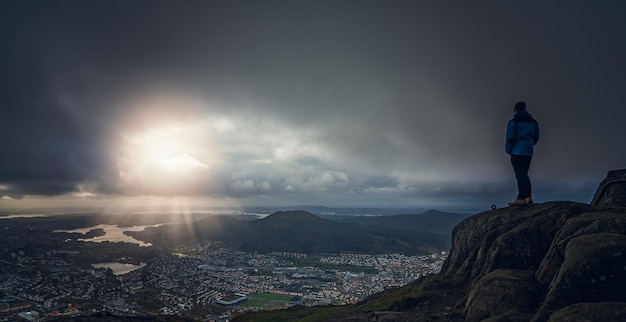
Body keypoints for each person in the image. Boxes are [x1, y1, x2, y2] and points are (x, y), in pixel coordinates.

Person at [506, 101, 540, 206]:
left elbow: (510, 137)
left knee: (520, 175)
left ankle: (521, 198)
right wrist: (529, 144)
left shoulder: (513, 122)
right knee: (524, 174)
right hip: (528, 151)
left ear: (515, 110)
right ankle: (528, 197)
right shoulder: (533, 123)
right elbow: (536, 137)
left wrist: (509, 150)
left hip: (517, 151)